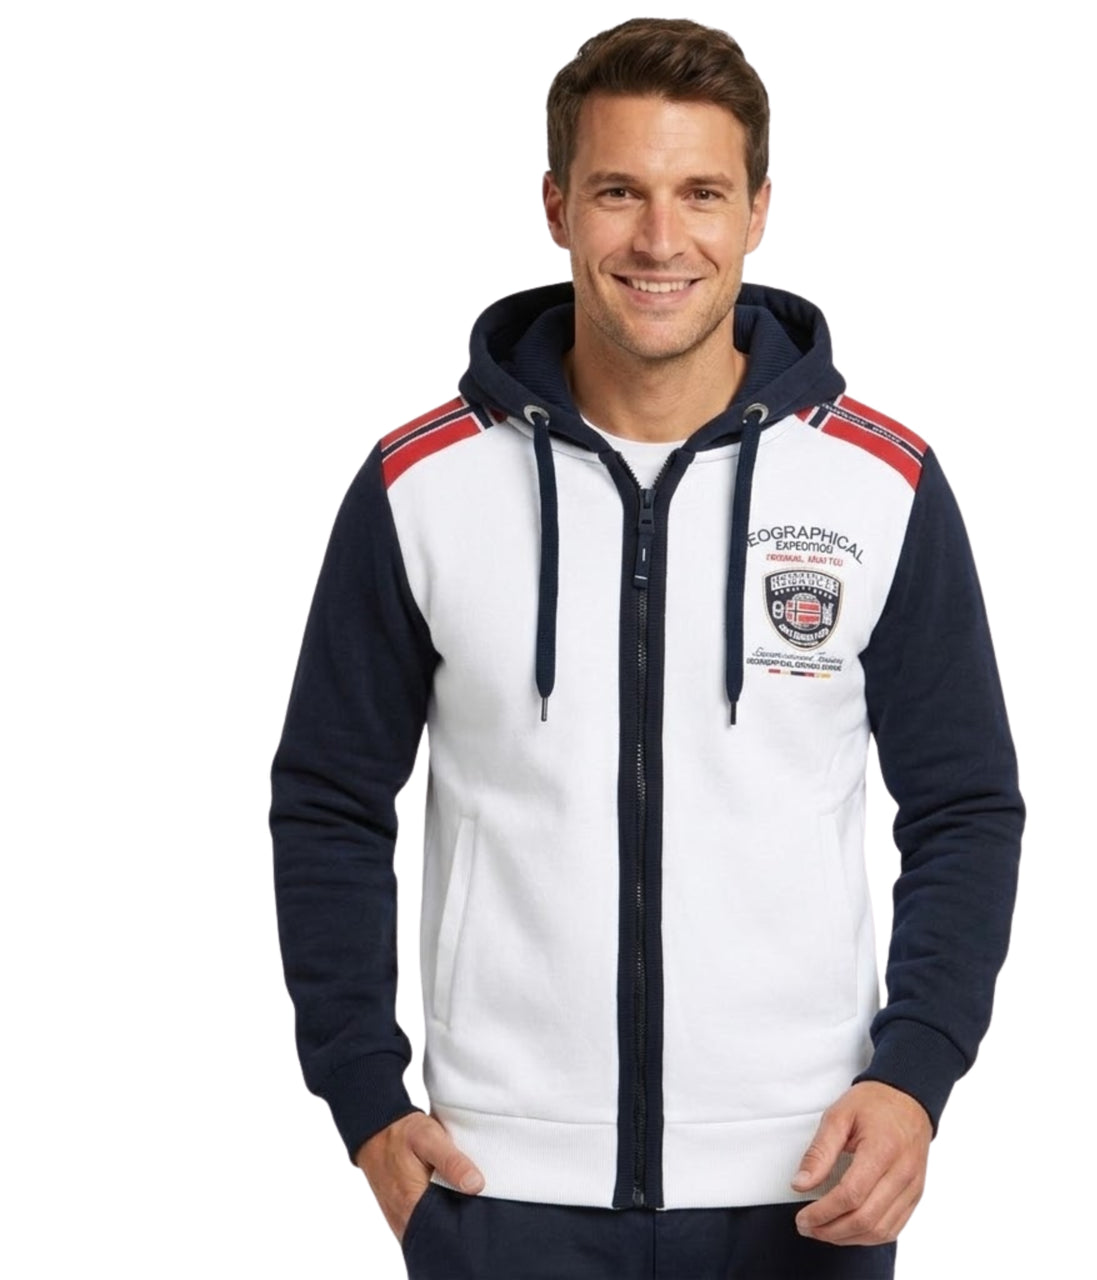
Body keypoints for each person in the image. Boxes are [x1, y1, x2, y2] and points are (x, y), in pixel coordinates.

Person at [269, 17, 1024, 1279]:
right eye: (619, 191)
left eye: (701, 194)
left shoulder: (876, 485)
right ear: (556, 206)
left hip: (808, 1184)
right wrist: (362, 1097)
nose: (660, 241)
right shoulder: (421, 486)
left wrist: (915, 1074)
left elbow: (963, 805)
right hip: (499, 1187)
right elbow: (329, 801)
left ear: (758, 210)